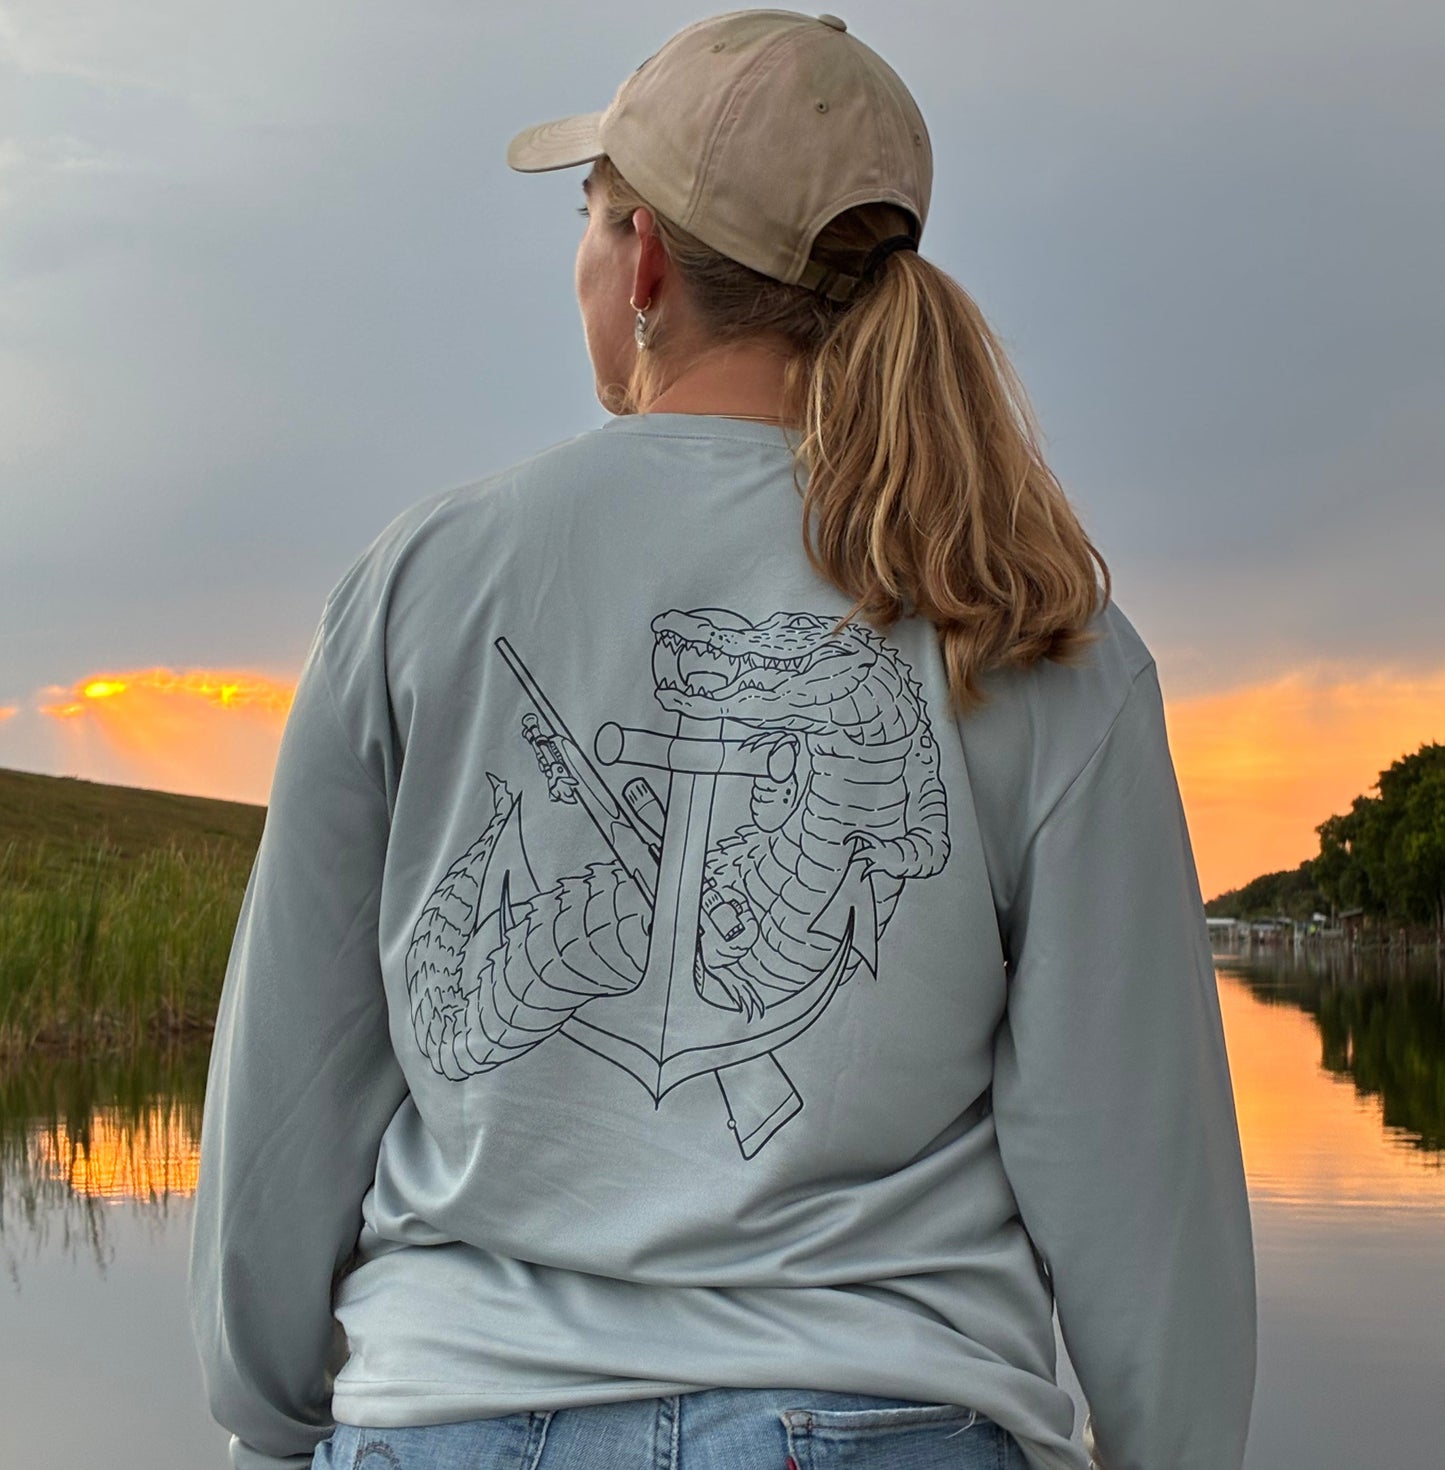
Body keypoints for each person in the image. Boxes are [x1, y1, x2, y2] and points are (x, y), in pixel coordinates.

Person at [189, 11, 1257, 1470]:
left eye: (585, 217)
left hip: (449, 1412)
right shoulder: (1025, 614)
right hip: (894, 1407)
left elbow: (291, 1091)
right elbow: (1139, 1169)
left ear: (640, 265)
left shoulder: (416, 583)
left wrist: (268, 1412)